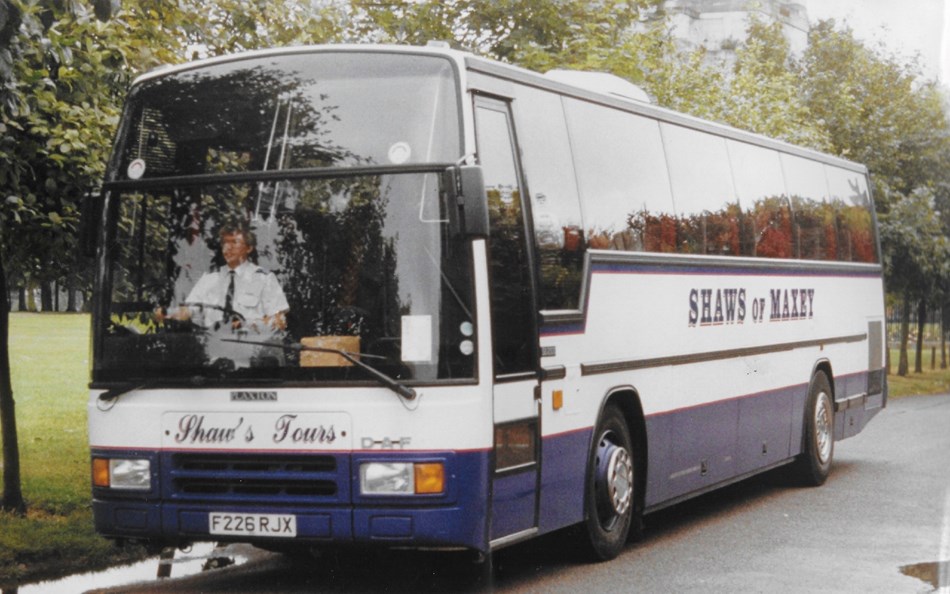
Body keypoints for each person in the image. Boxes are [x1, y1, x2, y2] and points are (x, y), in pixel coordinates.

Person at [159, 223, 289, 332]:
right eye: (224, 243)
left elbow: (279, 321)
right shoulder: (210, 278)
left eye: (234, 242)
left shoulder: (264, 279)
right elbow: (189, 310)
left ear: (249, 248)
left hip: (249, 351)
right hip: (212, 349)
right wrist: (166, 313)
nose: (228, 248)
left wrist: (246, 324)